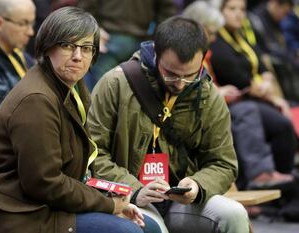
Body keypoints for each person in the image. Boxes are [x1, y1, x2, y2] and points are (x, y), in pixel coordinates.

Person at [0, 7, 161, 233]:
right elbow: (44, 183)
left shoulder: (71, 84)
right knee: (127, 231)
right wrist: (109, 205)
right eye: (67, 45)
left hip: (51, 204)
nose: (77, 56)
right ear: (47, 46)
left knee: (149, 226)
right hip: (22, 212)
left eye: (86, 48)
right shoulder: (36, 99)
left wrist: (110, 199)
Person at [88, 16, 250, 233]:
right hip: (129, 198)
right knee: (156, 228)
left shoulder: (208, 95)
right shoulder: (115, 84)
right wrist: (135, 190)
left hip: (180, 201)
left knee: (234, 214)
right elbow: (93, 154)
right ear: (155, 54)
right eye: (171, 75)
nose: (181, 84)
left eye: (190, 76)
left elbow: (224, 163)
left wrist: (197, 186)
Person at [210, 0, 297, 190]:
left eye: (242, 9)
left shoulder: (242, 36)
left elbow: (262, 63)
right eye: (232, 9)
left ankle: (285, 185)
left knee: (283, 125)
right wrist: (270, 94)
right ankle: (262, 176)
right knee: (272, 119)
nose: (238, 14)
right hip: (234, 101)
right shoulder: (217, 40)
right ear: (220, 11)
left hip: (255, 97)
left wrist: (266, 79)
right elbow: (235, 75)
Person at [78, 0, 177, 90]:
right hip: (125, 38)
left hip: (112, 36)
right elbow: (168, 10)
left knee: (97, 92)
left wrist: (93, 29)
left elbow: (85, 6)